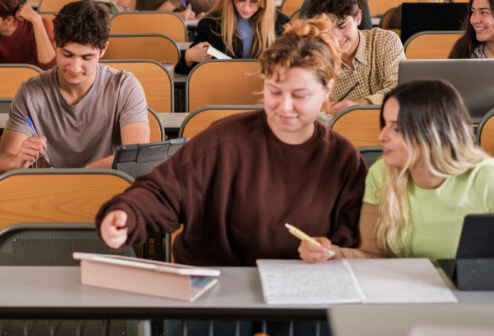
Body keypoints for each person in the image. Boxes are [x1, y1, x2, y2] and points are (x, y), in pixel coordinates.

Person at [98, 17, 366, 265]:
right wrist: (127, 214)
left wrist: (332, 252)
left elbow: (353, 242)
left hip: (303, 296)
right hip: (218, 294)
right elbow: (164, 192)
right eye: (274, 91)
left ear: (327, 90)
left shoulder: (343, 159)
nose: (284, 106)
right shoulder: (223, 140)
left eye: (300, 95)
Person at [298, 80, 494, 263]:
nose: (382, 136)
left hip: (472, 301)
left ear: (433, 133)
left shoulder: (486, 177)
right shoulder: (381, 174)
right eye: (385, 125)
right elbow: (374, 256)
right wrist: (331, 253)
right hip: (407, 300)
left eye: (396, 129)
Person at [0, 0, 150, 172]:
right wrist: (17, 160)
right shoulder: (30, 92)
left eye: (86, 58)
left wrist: (81, 176)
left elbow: (136, 160)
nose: (75, 68)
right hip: (50, 192)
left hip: (107, 187)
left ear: (103, 50)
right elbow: (1, 162)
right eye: (67, 54)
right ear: (56, 45)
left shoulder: (124, 87)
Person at [305, 0, 405, 115]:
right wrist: (323, 110)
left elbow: (400, 89)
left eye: (342, 25)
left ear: (358, 18)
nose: (336, 37)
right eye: (327, 30)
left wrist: (359, 106)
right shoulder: (314, 60)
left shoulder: (385, 41)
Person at [175, 0, 290, 75]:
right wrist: (188, 57)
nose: (246, 7)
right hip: (222, 90)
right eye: (241, 0)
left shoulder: (281, 24)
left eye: (254, 1)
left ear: (264, 0)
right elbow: (186, 72)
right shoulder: (211, 24)